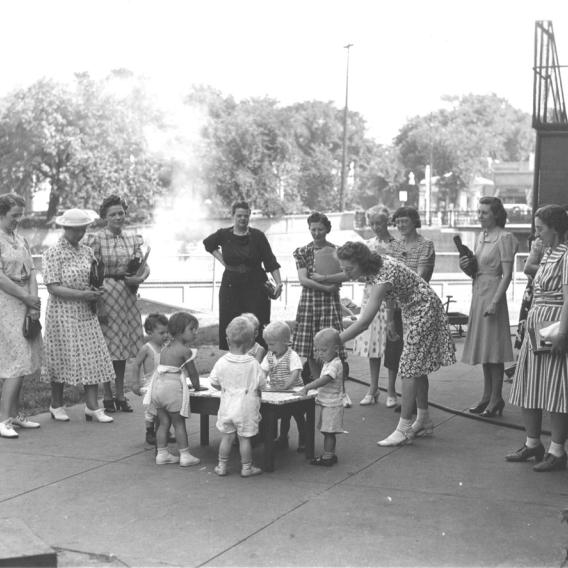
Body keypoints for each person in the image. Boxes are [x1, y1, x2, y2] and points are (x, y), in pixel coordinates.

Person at [336, 241, 455, 446]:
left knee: (408, 368)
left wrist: (335, 340)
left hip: (423, 309)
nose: (347, 274)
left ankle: (404, 428)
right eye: (343, 269)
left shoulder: (382, 276)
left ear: (361, 263)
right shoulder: (378, 265)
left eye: (349, 269)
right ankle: (423, 419)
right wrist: (391, 319)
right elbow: (393, 292)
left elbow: (364, 322)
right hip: (415, 308)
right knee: (417, 366)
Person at [507, 205, 568, 472]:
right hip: (537, 320)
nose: (536, 233)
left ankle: (557, 449)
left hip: (554, 321)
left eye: (540, 228)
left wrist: (563, 333)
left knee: (555, 387)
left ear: (555, 227)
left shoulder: (566, 256)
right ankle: (533, 443)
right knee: (530, 382)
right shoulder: (547, 253)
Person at [42, 209, 115, 424]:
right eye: (76, 230)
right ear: (66, 228)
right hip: (62, 312)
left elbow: (95, 279)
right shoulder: (53, 253)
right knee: (62, 354)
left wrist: (97, 297)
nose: (81, 234)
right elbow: (53, 287)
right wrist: (82, 294)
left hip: (86, 310)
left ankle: (92, 406)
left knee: (92, 354)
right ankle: (56, 404)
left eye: (83, 229)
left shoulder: (87, 252)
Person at [460, 196, 518, 417]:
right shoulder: (481, 236)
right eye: (479, 212)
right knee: (485, 350)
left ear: (496, 214)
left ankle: (496, 398)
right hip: (479, 292)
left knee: (494, 350)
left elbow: (507, 275)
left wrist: (495, 302)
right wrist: (465, 267)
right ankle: (487, 396)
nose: (480, 216)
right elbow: (476, 270)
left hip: (493, 294)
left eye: (484, 212)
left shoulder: (505, 238)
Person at [203, 201, 283, 351]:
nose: (242, 219)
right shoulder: (223, 234)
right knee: (232, 324)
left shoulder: (258, 236)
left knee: (257, 324)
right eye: (239, 216)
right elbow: (208, 244)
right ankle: (234, 362)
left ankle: (257, 363)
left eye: (246, 216)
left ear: (249, 217)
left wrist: (279, 284)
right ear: (233, 216)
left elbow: (270, 262)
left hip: (256, 286)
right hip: (231, 286)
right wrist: (223, 261)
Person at [0, 193, 42, 438]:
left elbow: (33, 271)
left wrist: (33, 302)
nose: (18, 219)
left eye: (20, 214)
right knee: (15, 360)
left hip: (26, 301)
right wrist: (25, 297)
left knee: (24, 358)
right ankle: (4, 419)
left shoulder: (20, 239)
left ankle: (14, 415)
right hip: (7, 302)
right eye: (14, 215)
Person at [386, 206, 435, 412]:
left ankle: (417, 404)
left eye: (404, 221)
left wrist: (400, 286)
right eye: (397, 222)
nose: (400, 225)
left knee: (416, 358)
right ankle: (409, 401)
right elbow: (388, 280)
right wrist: (389, 316)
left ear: (415, 221)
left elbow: (420, 277)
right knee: (399, 355)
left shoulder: (425, 245)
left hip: (417, 307)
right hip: (397, 306)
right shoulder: (394, 246)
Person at [209, 316, 266, 477]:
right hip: (247, 407)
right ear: (250, 342)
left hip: (227, 405)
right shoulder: (253, 363)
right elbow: (262, 384)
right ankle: (247, 468)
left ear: (227, 340)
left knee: (227, 437)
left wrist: (225, 387)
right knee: (244, 439)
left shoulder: (222, 361)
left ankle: (221, 465)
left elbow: (213, 382)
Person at [292, 212, 345, 382]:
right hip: (310, 303)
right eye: (313, 229)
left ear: (327, 229)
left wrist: (331, 284)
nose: (316, 233)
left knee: (332, 342)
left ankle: (339, 388)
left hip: (330, 303)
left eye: (320, 229)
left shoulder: (336, 251)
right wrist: (326, 287)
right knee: (311, 348)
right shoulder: (302, 251)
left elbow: (343, 275)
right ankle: (317, 384)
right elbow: (303, 279)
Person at [144, 312, 202, 466]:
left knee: (163, 422)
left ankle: (162, 454)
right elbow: (193, 373)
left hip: (158, 387)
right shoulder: (185, 350)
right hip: (171, 389)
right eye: (192, 329)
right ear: (180, 330)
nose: (195, 332)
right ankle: (185, 455)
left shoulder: (165, 348)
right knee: (178, 423)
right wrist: (197, 387)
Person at [352, 206, 396, 406]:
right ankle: (373, 388)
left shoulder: (396, 244)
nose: (376, 227)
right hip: (371, 296)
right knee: (373, 345)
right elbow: (360, 272)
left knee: (391, 344)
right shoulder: (367, 245)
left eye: (379, 223)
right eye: (372, 224)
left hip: (390, 297)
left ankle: (392, 390)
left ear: (387, 222)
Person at [297, 328, 345, 466]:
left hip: (333, 404)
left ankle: (328, 457)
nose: (320, 354)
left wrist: (308, 387)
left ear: (335, 348)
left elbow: (325, 379)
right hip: (328, 403)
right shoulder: (329, 362)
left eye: (323, 350)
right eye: (317, 350)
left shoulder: (335, 364)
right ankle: (329, 453)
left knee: (329, 431)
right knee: (326, 430)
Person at [261, 320, 305, 451]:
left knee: (299, 417)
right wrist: (261, 381)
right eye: (268, 344)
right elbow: (262, 371)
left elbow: (295, 373)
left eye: (272, 344)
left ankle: (304, 439)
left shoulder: (292, 355)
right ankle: (283, 438)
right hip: (278, 392)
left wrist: (286, 386)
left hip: (294, 392)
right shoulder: (269, 356)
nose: (269, 348)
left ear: (285, 342)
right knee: (284, 417)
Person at [132, 313, 169, 445]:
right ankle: (150, 431)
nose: (165, 335)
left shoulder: (167, 347)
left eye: (167, 332)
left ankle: (164, 430)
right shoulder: (146, 349)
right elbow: (136, 364)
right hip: (151, 384)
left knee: (165, 408)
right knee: (151, 410)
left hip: (165, 383)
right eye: (161, 333)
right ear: (149, 332)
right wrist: (135, 383)